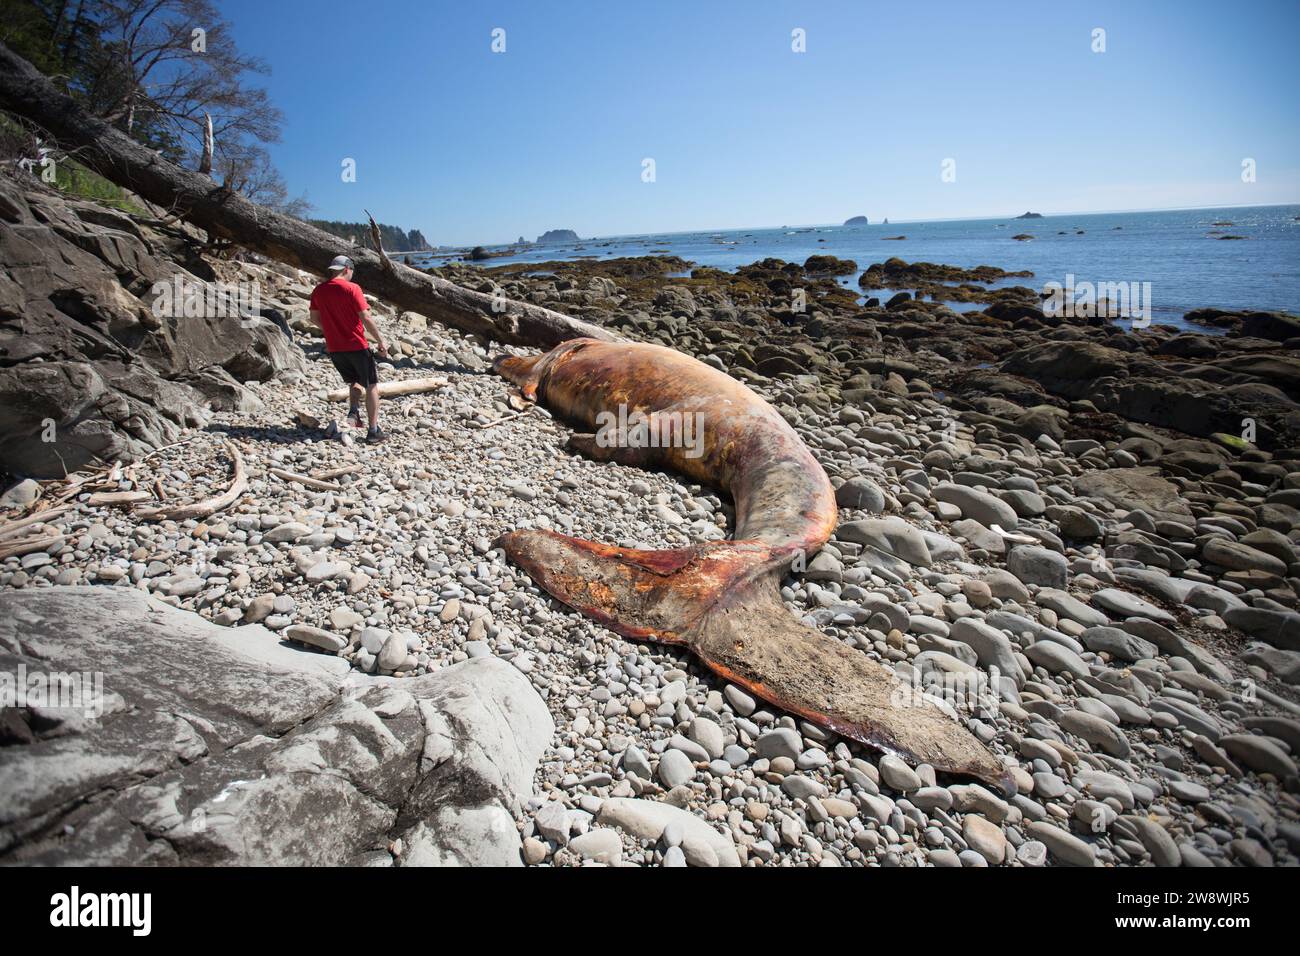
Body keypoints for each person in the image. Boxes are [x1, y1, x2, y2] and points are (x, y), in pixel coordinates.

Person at [309, 255, 390, 443]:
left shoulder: (319, 290)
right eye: (352, 271)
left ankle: (354, 413)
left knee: (354, 380)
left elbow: (313, 318)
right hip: (356, 345)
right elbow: (366, 318)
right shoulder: (352, 288)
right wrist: (381, 340)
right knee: (371, 385)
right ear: (346, 269)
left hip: (335, 348)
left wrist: (331, 330)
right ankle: (373, 431)